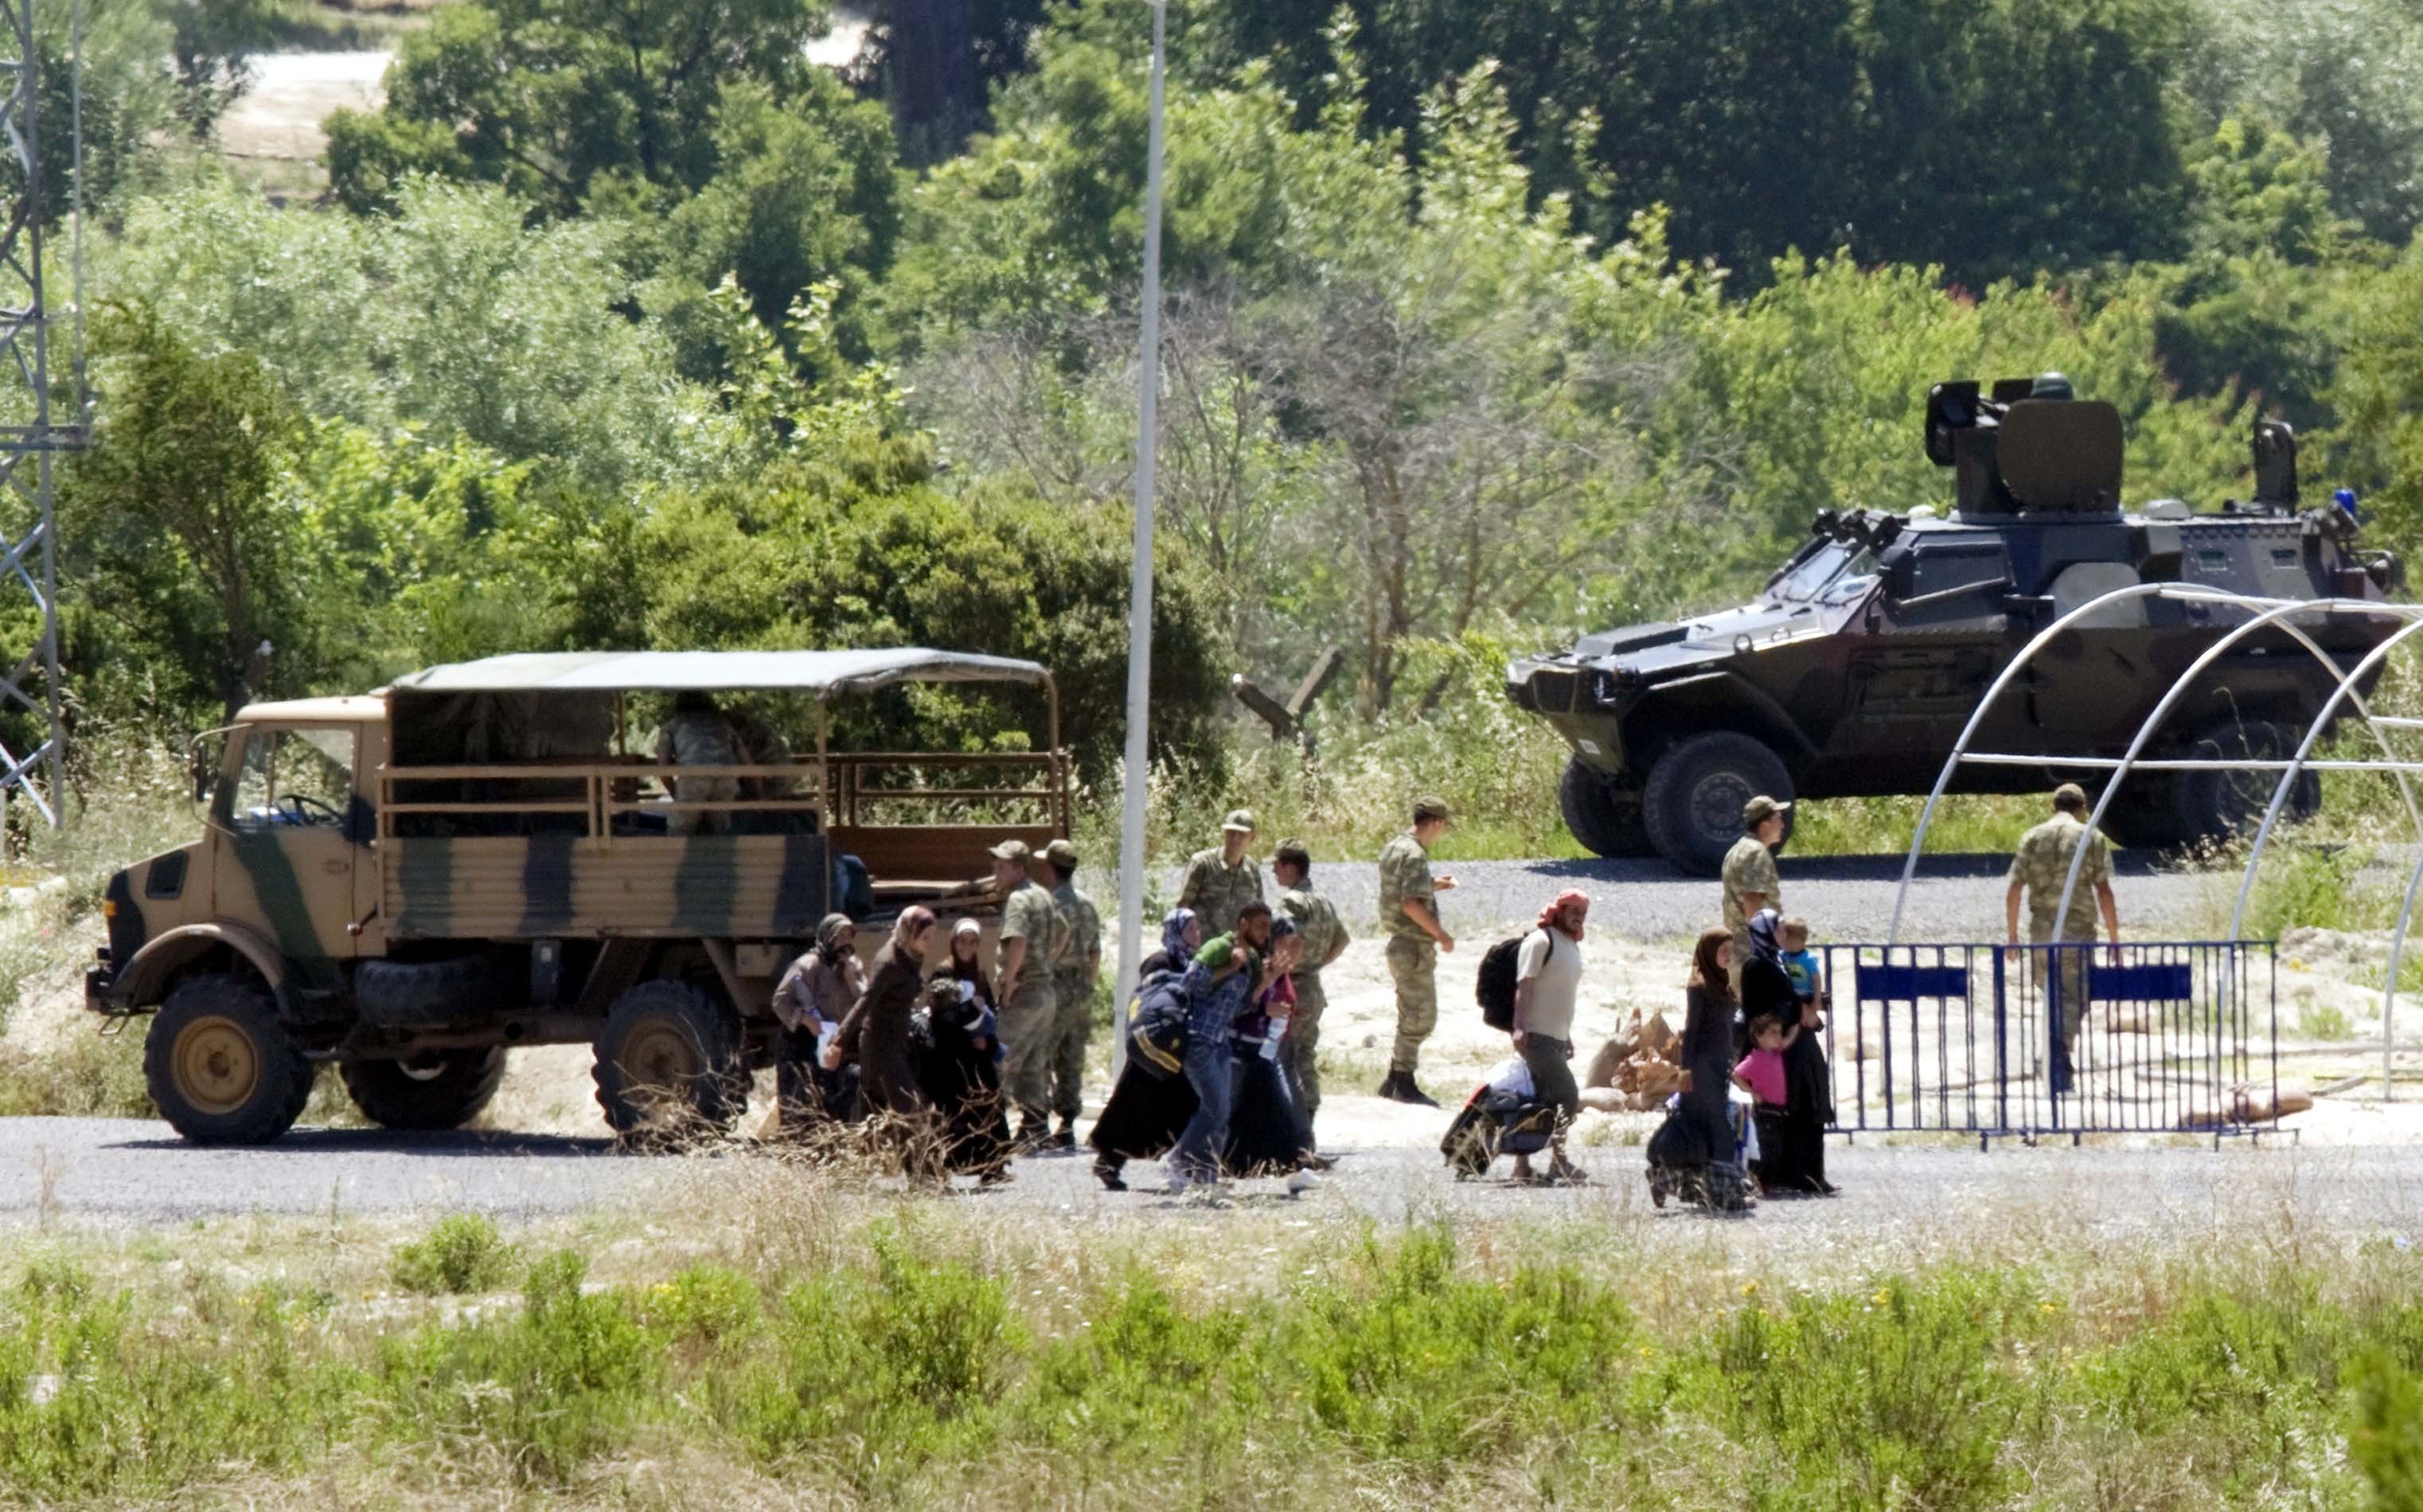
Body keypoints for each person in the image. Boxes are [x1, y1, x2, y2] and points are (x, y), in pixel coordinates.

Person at [2004, 781, 2120, 1094]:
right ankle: (2058, 1056)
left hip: (2041, 932)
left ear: (2052, 807)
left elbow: (2014, 889)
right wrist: (2114, 938)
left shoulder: (2032, 837)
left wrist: (2013, 936)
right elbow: (2104, 891)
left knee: (2051, 994)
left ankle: (2056, 1056)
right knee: (2075, 997)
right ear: (2082, 809)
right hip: (2077, 932)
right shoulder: (2091, 838)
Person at [1090, 908, 1204, 1191]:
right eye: (1190, 929)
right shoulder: (1160, 960)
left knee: (1183, 1108)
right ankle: (1109, 1162)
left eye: (1197, 928)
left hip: (1178, 1052)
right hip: (1152, 1053)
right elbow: (1150, 998)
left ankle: (1185, 1166)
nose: (1196, 934)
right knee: (1132, 1108)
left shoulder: (1195, 962)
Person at [1167, 901, 1276, 1192]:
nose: (1266, 933)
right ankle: (1177, 1159)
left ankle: (1205, 1177)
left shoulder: (1251, 960)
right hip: (1198, 1038)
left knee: (1221, 1112)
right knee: (1214, 1108)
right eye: (1260, 926)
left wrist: (1266, 981)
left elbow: (1240, 1008)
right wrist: (1230, 966)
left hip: (1220, 1043)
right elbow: (1188, 983)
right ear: (1243, 925)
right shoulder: (1220, 947)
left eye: (1269, 926)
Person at [1644, 927, 1755, 1210]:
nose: (1728, 956)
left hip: (1718, 1067)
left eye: (1731, 950)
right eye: (1722, 951)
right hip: (1702, 1068)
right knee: (1718, 1128)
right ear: (1709, 953)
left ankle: (1669, 1181)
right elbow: (1691, 1031)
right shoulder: (1699, 986)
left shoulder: (1724, 985)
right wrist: (1686, 1070)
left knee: (1698, 1128)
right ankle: (1724, 1194)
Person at [829, 906, 942, 1179]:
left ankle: (854, 1170)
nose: (930, 943)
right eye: (925, 936)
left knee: (875, 1113)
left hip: (897, 1044)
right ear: (909, 932)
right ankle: (922, 1176)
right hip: (880, 1047)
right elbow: (865, 1002)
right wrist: (839, 1042)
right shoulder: (889, 961)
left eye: (931, 936)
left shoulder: (910, 956)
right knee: (910, 1109)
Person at [1743, 908, 1835, 1195]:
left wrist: (1808, 1010)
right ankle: (1790, 1175)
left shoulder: (1778, 962)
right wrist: (1795, 1020)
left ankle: (1811, 1175)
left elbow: (1793, 997)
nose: (1784, 935)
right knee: (1791, 1109)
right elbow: (1764, 1007)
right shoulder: (1756, 966)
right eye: (1778, 929)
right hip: (1780, 1046)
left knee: (1810, 1105)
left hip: (1797, 1043)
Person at [1375, 795, 1457, 1106]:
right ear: (1435, 822)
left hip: (1401, 944)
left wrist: (1433, 884)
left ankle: (1395, 1079)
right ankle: (1402, 1081)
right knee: (1421, 1017)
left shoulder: (1395, 846)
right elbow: (1410, 903)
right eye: (1443, 826)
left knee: (1411, 1012)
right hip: (1412, 946)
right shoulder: (1414, 854)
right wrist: (1441, 934)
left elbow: (1402, 888)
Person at [1508, 887, 1591, 1185]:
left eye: (1582, 913)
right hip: (1536, 1036)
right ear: (1560, 910)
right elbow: (1525, 985)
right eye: (1573, 911)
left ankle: (1522, 1166)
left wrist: (1566, 1037)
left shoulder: (1570, 946)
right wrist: (1519, 1026)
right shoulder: (1541, 941)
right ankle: (1559, 1161)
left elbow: (1561, 993)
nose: (1578, 917)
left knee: (1539, 1101)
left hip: (1556, 1038)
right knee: (1567, 1096)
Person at [1271, 840, 1348, 1155]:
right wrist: (1315, 965)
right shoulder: (1323, 902)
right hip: (1313, 986)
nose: (1274, 870)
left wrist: (1283, 970)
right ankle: (1305, 1130)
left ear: (1291, 866)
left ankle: (1298, 1132)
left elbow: (1293, 938)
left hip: (1295, 988)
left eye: (1277, 864)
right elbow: (1341, 940)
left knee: (1290, 1059)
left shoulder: (1292, 902)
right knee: (1304, 1056)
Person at [989, 838, 1067, 1150]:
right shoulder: (1044, 896)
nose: (995, 871)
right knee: (1035, 1063)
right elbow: (1064, 931)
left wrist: (1009, 982)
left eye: (1001, 866)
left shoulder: (1019, 900)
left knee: (1001, 1060)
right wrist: (1047, 963)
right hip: (1045, 993)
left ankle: (988, 1130)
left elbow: (1017, 940)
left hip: (1024, 995)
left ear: (1019, 869)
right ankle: (1035, 1129)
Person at [922, 918, 1012, 1182]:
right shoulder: (942, 974)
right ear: (954, 942)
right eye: (962, 941)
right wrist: (966, 1030)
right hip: (952, 1055)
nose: (967, 947)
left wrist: (987, 1040)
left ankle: (992, 1166)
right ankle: (951, 1165)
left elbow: (990, 1010)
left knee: (990, 1103)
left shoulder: (979, 974)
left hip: (978, 1055)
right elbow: (940, 1015)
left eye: (973, 942)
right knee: (957, 1110)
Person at [1223, 917, 1309, 1178]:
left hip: (1271, 1051)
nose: (1294, 952)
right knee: (1227, 1108)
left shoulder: (1282, 974)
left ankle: (1293, 1163)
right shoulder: (1260, 970)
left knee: (1284, 1107)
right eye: (1288, 945)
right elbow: (1239, 1005)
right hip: (1246, 1049)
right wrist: (1267, 1008)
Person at [769, 913, 862, 1132]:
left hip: (835, 1042)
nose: (845, 944)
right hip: (803, 1042)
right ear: (827, 938)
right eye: (840, 937)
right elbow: (780, 1001)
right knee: (800, 1104)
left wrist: (851, 977)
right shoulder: (807, 966)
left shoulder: (851, 967)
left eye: (849, 938)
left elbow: (864, 1001)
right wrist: (804, 1019)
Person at [1038, 838, 1102, 1151]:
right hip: (1081, 987)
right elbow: (1095, 952)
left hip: (1054, 984)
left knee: (1043, 1054)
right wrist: (1088, 985)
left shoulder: (1048, 903)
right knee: (1072, 1057)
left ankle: (1036, 1120)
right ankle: (1066, 1123)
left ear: (1050, 869)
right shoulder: (1088, 903)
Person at [1720, 796, 1788, 994]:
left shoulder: (1737, 850)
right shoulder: (1756, 853)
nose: (1783, 825)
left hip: (1738, 945)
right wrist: (1765, 949)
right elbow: (1752, 901)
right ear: (1765, 825)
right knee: (1764, 1017)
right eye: (1778, 818)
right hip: (1753, 952)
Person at [655, 692, 742, 835]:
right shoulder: (722, 724)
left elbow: (662, 767)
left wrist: (675, 793)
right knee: (720, 830)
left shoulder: (672, 725)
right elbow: (745, 758)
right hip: (727, 778)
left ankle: (677, 856)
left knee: (679, 831)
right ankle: (722, 856)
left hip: (693, 779)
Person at [1733, 1012, 1798, 1197]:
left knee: (1776, 1147)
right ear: (1759, 1037)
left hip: (1778, 1109)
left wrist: (1795, 1026)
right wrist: (1753, 1093)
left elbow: (1788, 1039)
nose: (1778, 1037)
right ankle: (1757, 1182)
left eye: (1779, 1032)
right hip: (1764, 1109)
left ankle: (1768, 1182)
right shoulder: (1755, 1058)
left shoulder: (1776, 1052)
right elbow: (1736, 1074)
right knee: (1765, 1148)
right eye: (1773, 1033)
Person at [1177, 809, 1265, 937]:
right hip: (1203, 948)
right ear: (1224, 833)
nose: (1235, 838)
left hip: (1236, 949)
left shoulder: (1252, 870)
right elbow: (1183, 907)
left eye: (1241, 834)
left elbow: (1258, 912)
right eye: (1231, 833)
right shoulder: (1203, 863)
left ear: (1252, 837)